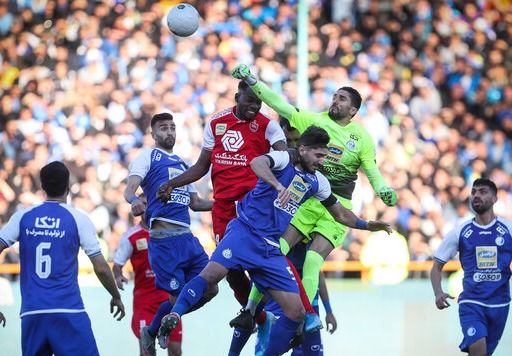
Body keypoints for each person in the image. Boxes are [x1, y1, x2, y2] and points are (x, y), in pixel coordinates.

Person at [155, 125, 392, 355]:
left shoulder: (318, 181)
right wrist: (278, 185)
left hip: (270, 248)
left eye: (324, 156)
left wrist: (366, 225)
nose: (322, 161)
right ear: (303, 150)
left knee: (297, 312)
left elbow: (340, 214)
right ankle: (175, 315)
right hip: (244, 232)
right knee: (210, 276)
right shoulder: (283, 159)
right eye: (318, 155)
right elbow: (257, 163)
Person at [156, 81, 321, 338]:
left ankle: (297, 314)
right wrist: (172, 183)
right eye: (250, 101)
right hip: (223, 207)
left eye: (258, 103)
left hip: (253, 208)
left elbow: (286, 159)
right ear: (237, 97)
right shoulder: (216, 123)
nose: (254, 107)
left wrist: (287, 186)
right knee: (230, 272)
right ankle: (256, 316)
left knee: (271, 258)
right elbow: (202, 166)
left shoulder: (268, 126)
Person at [231, 64, 397, 308]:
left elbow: (372, 171)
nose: (335, 100)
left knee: (312, 261)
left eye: (341, 98)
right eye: (334, 96)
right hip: (307, 198)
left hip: (337, 204)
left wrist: (383, 190)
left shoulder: (361, 137)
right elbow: (279, 104)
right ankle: (250, 309)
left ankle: (306, 314)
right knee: (276, 251)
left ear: (353, 110)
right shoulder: (313, 120)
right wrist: (252, 80)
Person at [0, 161, 125, 355]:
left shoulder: (22, 217)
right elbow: (100, 267)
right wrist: (115, 296)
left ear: (42, 186)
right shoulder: (79, 219)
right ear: (68, 186)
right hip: (68, 311)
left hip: (32, 313)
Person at [124, 112, 217, 356]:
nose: (169, 132)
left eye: (172, 127)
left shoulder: (184, 165)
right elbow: (129, 189)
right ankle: (156, 329)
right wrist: (134, 200)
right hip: (164, 242)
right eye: (163, 128)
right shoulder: (148, 157)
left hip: (188, 239)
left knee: (211, 288)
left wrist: (227, 203)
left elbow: (196, 204)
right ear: (153, 134)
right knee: (177, 302)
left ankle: (155, 329)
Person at [430, 178, 512, 356]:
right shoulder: (460, 231)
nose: (476, 195)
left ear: (495, 199)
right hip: (472, 302)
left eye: (482, 192)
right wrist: (438, 292)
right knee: (479, 352)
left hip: (500, 303)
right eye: (474, 192)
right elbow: (436, 267)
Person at [112, 194, 182, 356]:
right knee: (147, 352)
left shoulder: (170, 233)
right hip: (145, 303)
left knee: (176, 351)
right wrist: (118, 276)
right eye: (143, 204)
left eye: (149, 203)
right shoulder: (131, 236)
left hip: (169, 300)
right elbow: (117, 264)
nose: (146, 207)